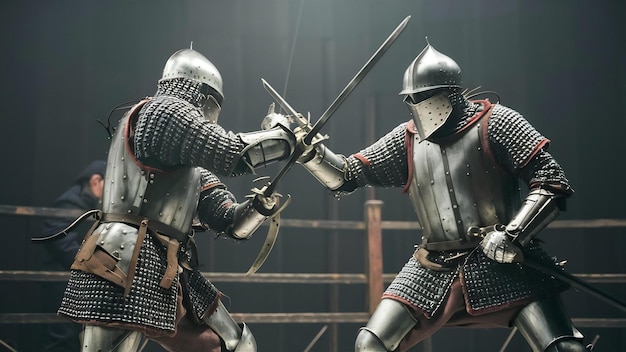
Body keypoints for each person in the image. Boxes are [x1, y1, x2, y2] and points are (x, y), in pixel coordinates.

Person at [291, 43, 589, 351]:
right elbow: (347, 174)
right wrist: (310, 153)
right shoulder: (406, 138)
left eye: (421, 97)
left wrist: (513, 235)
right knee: (370, 345)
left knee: (563, 349)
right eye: (409, 99)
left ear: (450, 93)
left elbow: (551, 181)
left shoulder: (498, 122)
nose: (414, 104)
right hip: (432, 265)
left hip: (503, 259)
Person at [57, 48, 297, 352]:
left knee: (237, 344)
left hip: (166, 264)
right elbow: (232, 153)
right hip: (122, 256)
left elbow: (228, 220)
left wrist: (259, 207)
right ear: (203, 95)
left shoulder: (187, 157)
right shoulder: (163, 112)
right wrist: (284, 136)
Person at [39, 160, 106, 352]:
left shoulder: (84, 202)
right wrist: (90, 263)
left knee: (71, 336)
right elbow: (57, 237)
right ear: (95, 181)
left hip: (71, 280)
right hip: (61, 281)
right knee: (62, 337)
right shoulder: (71, 201)